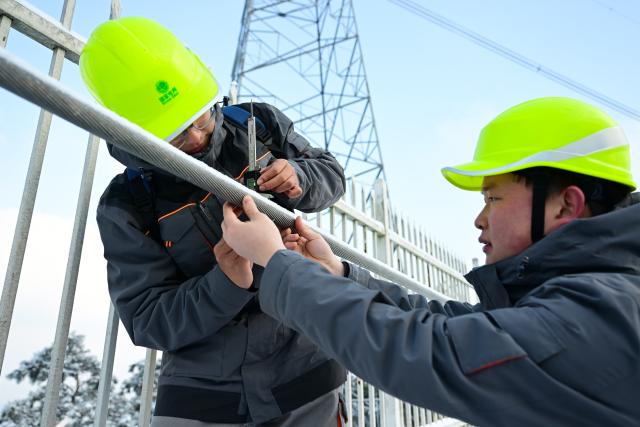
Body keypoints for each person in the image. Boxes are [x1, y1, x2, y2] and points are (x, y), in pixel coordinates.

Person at [220, 97, 640, 426]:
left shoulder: (594, 317)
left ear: (566, 204)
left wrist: (275, 260)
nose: (480, 218)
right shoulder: (592, 292)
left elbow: (426, 348)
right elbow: (456, 325)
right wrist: (340, 273)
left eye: (493, 197)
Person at [80, 17, 347, 426]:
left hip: (303, 376)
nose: (200, 136)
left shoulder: (255, 124)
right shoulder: (126, 205)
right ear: (133, 134)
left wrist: (301, 178)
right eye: (179, 134)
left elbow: (330, 173)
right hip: (204, 398)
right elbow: (148, 318)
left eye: (202, 116)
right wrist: (227, 281)